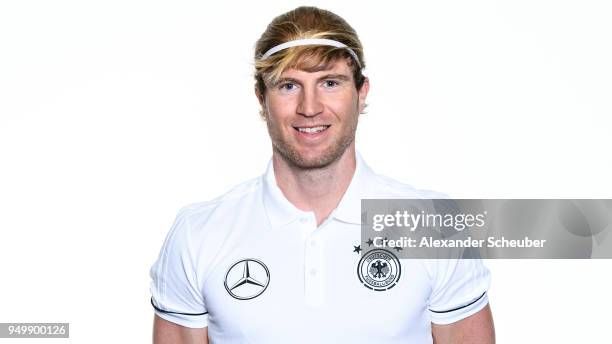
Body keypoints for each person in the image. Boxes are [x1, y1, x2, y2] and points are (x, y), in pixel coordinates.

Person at [150, 6, 494, 343]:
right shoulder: (199, 234)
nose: (310, 107)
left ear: (361, 93)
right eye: (288, 86)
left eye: (330, 82)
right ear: (261, 97)